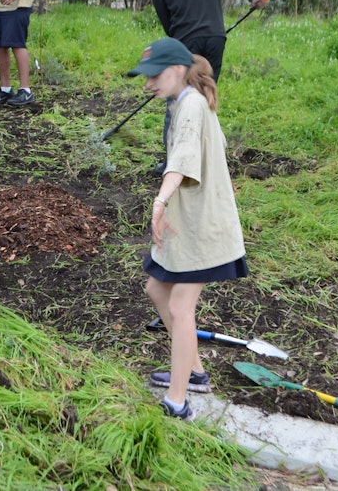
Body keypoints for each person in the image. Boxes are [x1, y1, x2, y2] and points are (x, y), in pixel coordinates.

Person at [126, 37, 248, 422]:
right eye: (145, 77)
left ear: (178, 69)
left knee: (181, 305)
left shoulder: (191, 105)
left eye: (154, 75)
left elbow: (181, 159)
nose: (148, 84)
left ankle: (177, 403)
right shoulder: (184, 101)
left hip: (203, 226)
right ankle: (194, 372)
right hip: (192, 219)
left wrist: (159, 202)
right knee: (156, 287)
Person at [148, 0, 270, 173]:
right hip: (216, 38)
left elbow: (168, 27)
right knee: (205, 95)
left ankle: (173, 163)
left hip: (186, 43)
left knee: (177, 100)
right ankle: (207, 159)